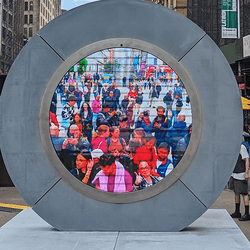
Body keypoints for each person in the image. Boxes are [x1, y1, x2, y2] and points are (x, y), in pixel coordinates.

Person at [229, 142, 250, 221]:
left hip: (241, 174)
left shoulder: (241, 147)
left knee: (244, 193)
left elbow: (246, 159)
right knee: (236, 192)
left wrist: (246, 173)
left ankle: (247, 214)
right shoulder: (233, 146)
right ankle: (237, 212)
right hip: (234, 173)